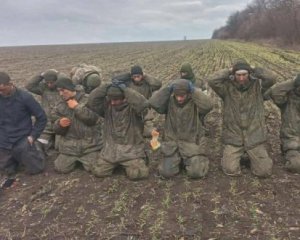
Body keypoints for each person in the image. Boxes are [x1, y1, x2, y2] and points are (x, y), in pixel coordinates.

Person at [208, 59, 276, 177]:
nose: (241, 78)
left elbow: (272, 78)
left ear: (249, 73)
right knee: (230, 170)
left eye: (244, 74)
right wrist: (229, 70)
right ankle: (238, 155)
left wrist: (254, 69)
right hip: (234, 138)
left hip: (254, 137)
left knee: (264, 172)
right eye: (238, 75)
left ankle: (251, 155)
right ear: (233, 74)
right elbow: (212, 80)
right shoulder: (226, 88)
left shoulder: (258, 86)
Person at [88, 77, 149, 180]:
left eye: (116, 100)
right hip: (110, 151)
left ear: (124, 97)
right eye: (111, 99)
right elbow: (92, 100)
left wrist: (125, 90)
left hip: (131, 152)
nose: (112, 102)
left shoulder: (134, 109)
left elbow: (143, 104)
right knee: (99, 172)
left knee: (137, 174)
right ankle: (115, 164)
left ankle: (135, 162)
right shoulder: (107, 107)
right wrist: (106, 85)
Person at [149, 79, 213, 178]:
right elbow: (153, 102)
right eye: (176, 95)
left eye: (182, 95)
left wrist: (193, 90)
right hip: (172, 146)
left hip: (191, 145)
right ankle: (179, 161)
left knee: (196, 173)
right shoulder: (168, 103)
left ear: (188, 94)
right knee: (166, 173)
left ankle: (199, 159)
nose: (179, 98)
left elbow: (208, 105)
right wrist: (167, 89)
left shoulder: (195, 104)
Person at [0, 72, 47, 179]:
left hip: (22, 138)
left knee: (36, 169)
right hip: (3, 141)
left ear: (10, 84)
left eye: (2, 89)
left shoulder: (25, 97)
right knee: (8, 171)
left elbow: (42, 118)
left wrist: (33, 136)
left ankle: (38, 146)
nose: (0, 92)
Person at [52, 76, 103, 173]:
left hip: (90, 146)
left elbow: (94, 120)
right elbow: (55, 129)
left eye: (63, 90)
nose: (61, 94)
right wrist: (60, 124)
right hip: (69, 148)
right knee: (60, 168)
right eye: (59, 91)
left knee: (96, 169)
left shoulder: (88, 100)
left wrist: (77, 107)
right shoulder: (59, 106)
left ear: (71, 88)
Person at [268, 74, 300, 173]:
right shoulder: (288, 100)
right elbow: (274, 92)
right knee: (296, 166)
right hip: (293, 143)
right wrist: (293, 82)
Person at [25, 69, 61, 154]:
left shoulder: (62, 89)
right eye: (47, 82)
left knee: (60, 147)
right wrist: (41, 75)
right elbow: (29, 86)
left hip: (60, 124)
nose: (49, 85)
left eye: (51, 82)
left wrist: (58, 74)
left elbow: (71, 84)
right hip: (47, 124)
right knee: (40, 143)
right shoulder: (43, 88)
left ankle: (55, 142)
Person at [127, 65, 162, 137]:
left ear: (142, 76)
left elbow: (158, 84)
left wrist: (146, 76)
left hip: (145, 113)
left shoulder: (147, 84)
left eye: (138, 76)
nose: (136, 78)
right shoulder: (129, 85)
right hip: (132, 112)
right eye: (134, 77)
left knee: (150, 132)